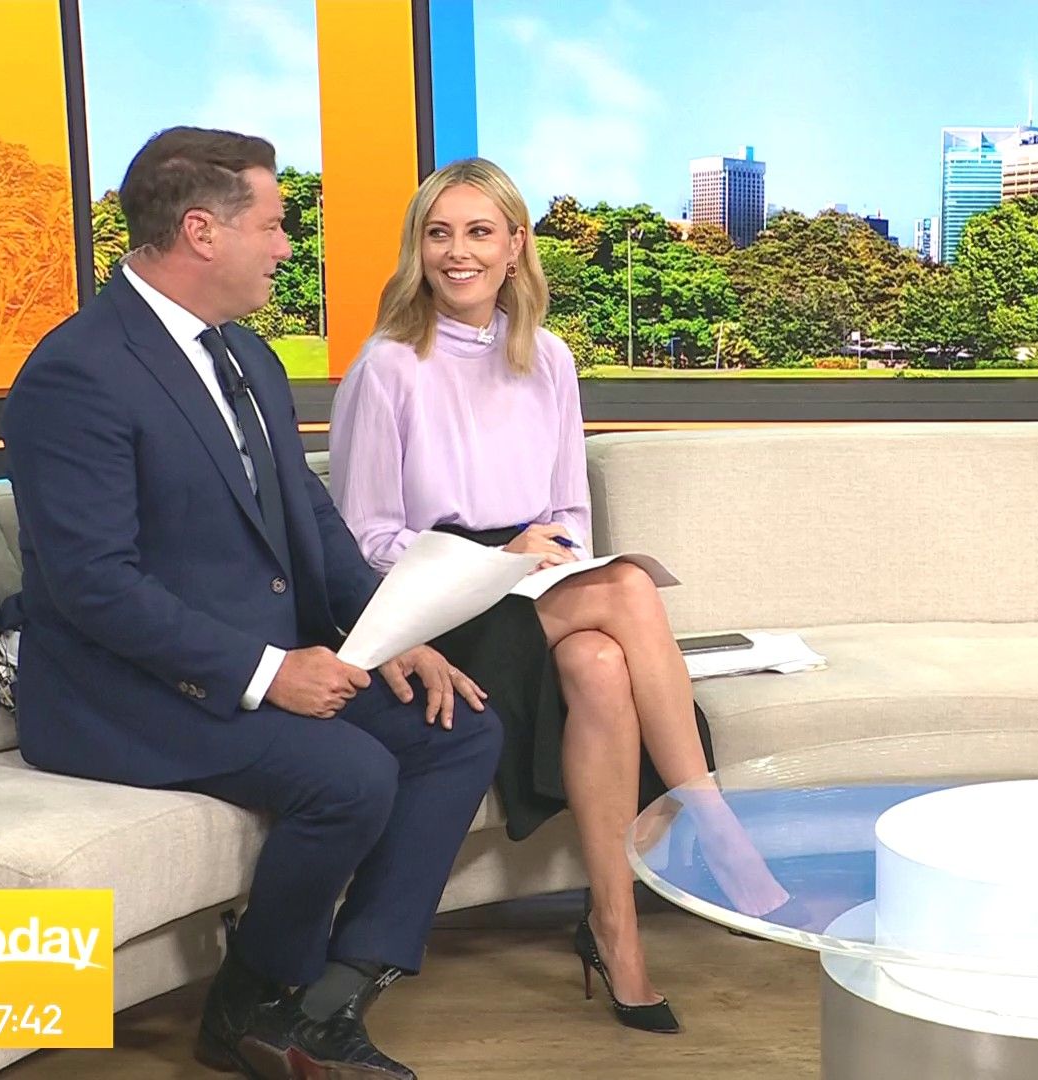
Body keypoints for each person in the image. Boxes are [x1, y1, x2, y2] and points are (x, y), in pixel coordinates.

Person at [2, 127, 502, 1079]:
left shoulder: (246, 355)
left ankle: (327, 1000)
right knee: (349, 774)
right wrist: (269, 673)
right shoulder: (77, 372)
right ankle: (254, 1003)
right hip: (121, 693)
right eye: (272, 226)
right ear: (202, 231)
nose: (284, 246)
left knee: (459, 730)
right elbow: (93, 583)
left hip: (249, 664)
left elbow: (305, 512)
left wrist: (390, 629)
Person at [327, 158, 793, 1034]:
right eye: (439, 234)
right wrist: (496, 558)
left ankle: (617, 932)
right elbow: (363, 543)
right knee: (628, 586)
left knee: (601, 664)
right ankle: (716, 827)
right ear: (418, 248)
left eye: (478, 233)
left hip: (535, 582)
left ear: (515, 246)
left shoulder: (548, 357)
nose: (458, 253)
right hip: (436, 606)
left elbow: (569, 513)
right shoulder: (386, 367)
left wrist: (538, 560)